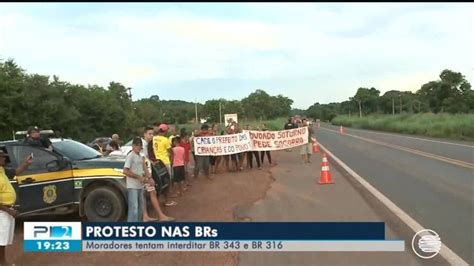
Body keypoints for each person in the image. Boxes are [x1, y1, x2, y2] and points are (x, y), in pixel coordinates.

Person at [0, 150, 33, 265]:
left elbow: (16, 172)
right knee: (1, 240)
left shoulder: (2, 170)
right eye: (2, 157)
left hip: (7, 210)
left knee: (4, 239)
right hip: (2, 211)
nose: (4, 159)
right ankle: (2, 263)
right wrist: (9, 210)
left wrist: (26, 163)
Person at [141, 127, 175, 222]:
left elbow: (145, 158)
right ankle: (161, 216)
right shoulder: (143, 144)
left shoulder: (146, 144)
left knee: (144, 194)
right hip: (145, 173)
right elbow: (142, 161)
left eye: (152, 134)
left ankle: (145, 216)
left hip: (143, 172)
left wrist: (151, 162)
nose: (151, 136)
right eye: (149, 134)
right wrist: (148, 176)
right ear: (144, 134)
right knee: (153, 193)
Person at [123, 137, 150, 222]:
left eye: (140, 146)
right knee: (134, 208)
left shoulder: (140, 156)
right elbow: (125, 171)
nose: (139, 148)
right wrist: (139, 177)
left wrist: (149, 177)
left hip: (140, 185)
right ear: (133, 146)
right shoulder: (130, 156)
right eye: (137, 146)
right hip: (132, 185)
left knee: (140, 208)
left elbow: (144, 167)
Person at [152, 124, 178, 207]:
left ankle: (159, 199)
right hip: (165, 162)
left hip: (157, 162)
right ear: (165, 131)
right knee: (167, 181)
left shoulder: (154, 138)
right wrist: (172, 161)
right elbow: (171, 152)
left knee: (158, 181)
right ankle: (167, 200)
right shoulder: (165, 140)